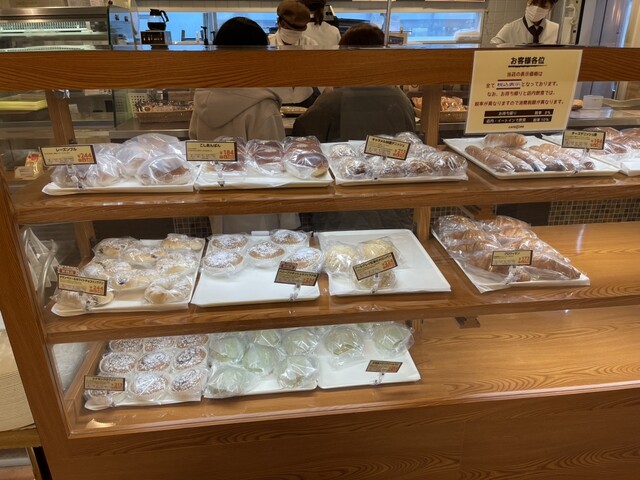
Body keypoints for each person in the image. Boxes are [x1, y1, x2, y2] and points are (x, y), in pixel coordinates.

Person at [292, 23, 417, 231]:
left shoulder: (336, 99)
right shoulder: (400, 98)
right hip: (393, 203)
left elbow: (303, 133)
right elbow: (408, 144)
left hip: (344, 207)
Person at [189, 17, 298, 233]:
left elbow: (196, 147)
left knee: (224, 250)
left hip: (216, 201)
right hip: (257, 208)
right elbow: (275, 166)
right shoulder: (262, 106)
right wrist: (289, 221)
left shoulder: (203, 99)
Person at [491, 0, 559, 45]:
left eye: (542, 6)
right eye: (534, 3)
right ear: (528, 1)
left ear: (550, 8)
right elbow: (492, 51)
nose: (537, 8)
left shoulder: (557, 30)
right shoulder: (510, 29)